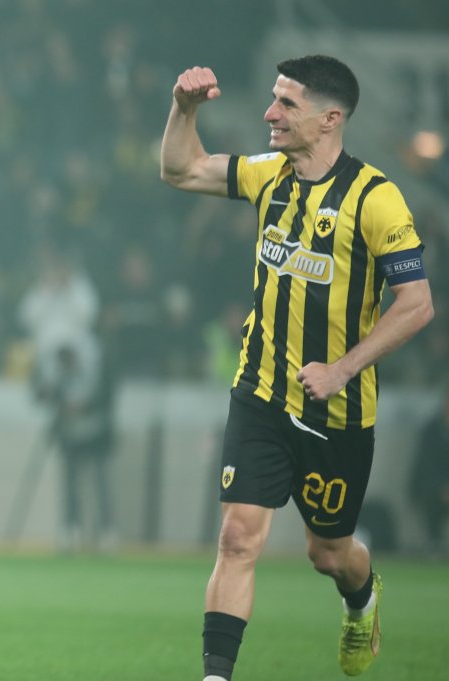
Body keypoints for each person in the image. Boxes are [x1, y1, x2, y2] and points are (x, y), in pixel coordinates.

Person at [160, 56, 434, 680]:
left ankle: (361, 599)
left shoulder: (376, 199)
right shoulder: (268, 175)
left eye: (287, 104)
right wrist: (184, 108)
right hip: (259, 393)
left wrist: (342, 370)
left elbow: (417, 304)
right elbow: (180, 169)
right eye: (273, 99)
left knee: (329, 553)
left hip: (335, 410)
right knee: (237, 538)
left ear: (329, 119)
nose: (270, 113)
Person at [34, 334, 116, 552]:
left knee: (100, 484)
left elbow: (107, 395)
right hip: (69, 434)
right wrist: (53, 393)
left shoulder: (95, 364)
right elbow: (40, 396)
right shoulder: (56, 371)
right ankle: (71, 530)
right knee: (70, 485)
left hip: (96, 433)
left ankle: (106, 530)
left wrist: (83, 407)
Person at [408, 390, 449, 558]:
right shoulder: (431, 431)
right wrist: (442, 488)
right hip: (433, 488)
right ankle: (434, 543)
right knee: (433, 498)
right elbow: (426, 467)